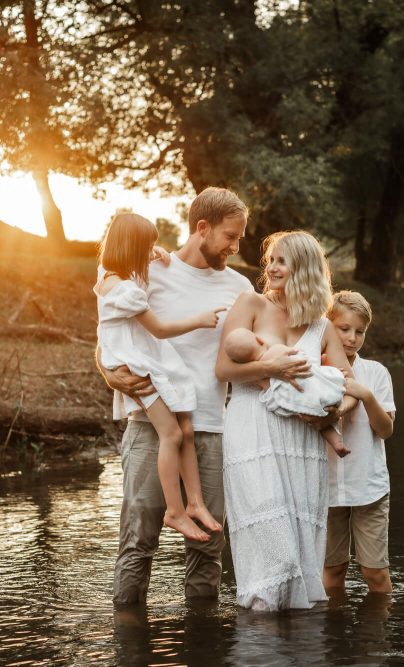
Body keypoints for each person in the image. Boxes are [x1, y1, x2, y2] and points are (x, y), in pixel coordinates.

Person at [98, 187, 311, 605]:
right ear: (202, 228)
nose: (236, 246)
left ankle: (203, 643)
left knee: (208, 546)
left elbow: (278, 334)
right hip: (149, 425)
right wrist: (109, 374)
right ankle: (127, 638)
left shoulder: (237, 288)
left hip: (213, 426)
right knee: (138, 539)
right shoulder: (147, 273)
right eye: (230, 237)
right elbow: (109, 333)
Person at [216, 230, 357, 611]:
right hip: (252, 433)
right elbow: (224, 368)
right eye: (271, 260)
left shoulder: (322, 327)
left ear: (305, 268)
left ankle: (295, 643)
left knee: (299, 553)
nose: (271, 267)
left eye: (281, 260)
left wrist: (329, 413)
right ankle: (262, 635)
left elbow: (347, 386)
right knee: (275, 553)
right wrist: (270, 367)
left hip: (304, 442)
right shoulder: (250, 304)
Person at [95, 213, 224, 543]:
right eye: (147, 246)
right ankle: (175, 510)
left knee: (186, 428)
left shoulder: (108, 275)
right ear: (132, 248)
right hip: (137, 367)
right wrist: (199, 320)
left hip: (145, 359)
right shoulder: (124, 291)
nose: (152, 252)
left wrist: (154, 251)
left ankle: (195, 503)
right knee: (171, 434)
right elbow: (160, 328)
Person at [321, 291, 396, 596]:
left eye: (360, 331)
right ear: (328, 326)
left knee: (374, 572)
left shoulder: (376, 374)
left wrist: (364, 395)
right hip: (326, 488)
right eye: (344, 329)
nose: (352, 338)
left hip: (368, 487)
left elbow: (385, 430)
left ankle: (377, 639)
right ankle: (332, 636)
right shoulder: (316, 370)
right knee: (332, 569)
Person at [223, 326, 351, 457]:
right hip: (311, 388)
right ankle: (336, 379)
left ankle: (336, 442)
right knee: (318, 376)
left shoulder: (257, 377)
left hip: (296, 402)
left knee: (314, 419)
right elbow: (301, 356)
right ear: (259, 340)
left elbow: (269, 391)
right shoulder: (277, 349)